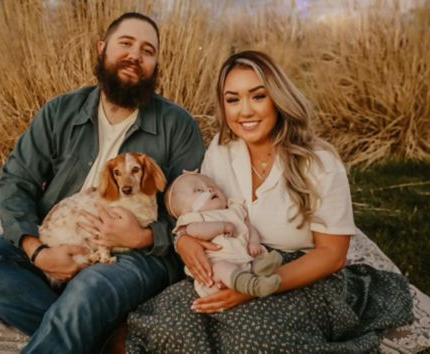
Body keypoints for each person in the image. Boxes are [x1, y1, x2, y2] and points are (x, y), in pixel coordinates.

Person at [0, 12, 205, 353]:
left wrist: (143, 236)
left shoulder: (178, 125)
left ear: (155, 64)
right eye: (125, 43)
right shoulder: (60, 111)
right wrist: (38, 251)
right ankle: (103, 337)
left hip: (134, 255)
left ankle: (79, 319)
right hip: (55, 239)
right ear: (102, 49)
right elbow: (16, 180)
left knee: (89, 288)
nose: (135, 56)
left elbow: (196, 209)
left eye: (147, 50)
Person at [125, 51, 413, 353]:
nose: (244, 111)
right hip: (234, 264)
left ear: (278, 98)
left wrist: (253, 287)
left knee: (252, 339)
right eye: (233, 99)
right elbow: (202, 213)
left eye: (257, 96)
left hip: (302, 275)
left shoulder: (319, 161)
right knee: (168, 323)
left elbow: (331, 255)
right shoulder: (222, 150)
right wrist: (184, 240)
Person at [165, 171, 282, 297]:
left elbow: (249, 227)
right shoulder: (195, 218)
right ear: (185, 211)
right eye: (199, 190)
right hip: (216, 272)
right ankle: (252, 285)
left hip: (246, 259)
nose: (210, 188)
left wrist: (254, 242)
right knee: (221, 267)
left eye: (212, 185)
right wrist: (222, 227)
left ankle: (261, 269)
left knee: (259, 257)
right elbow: (195, 232)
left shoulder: (234, 210)